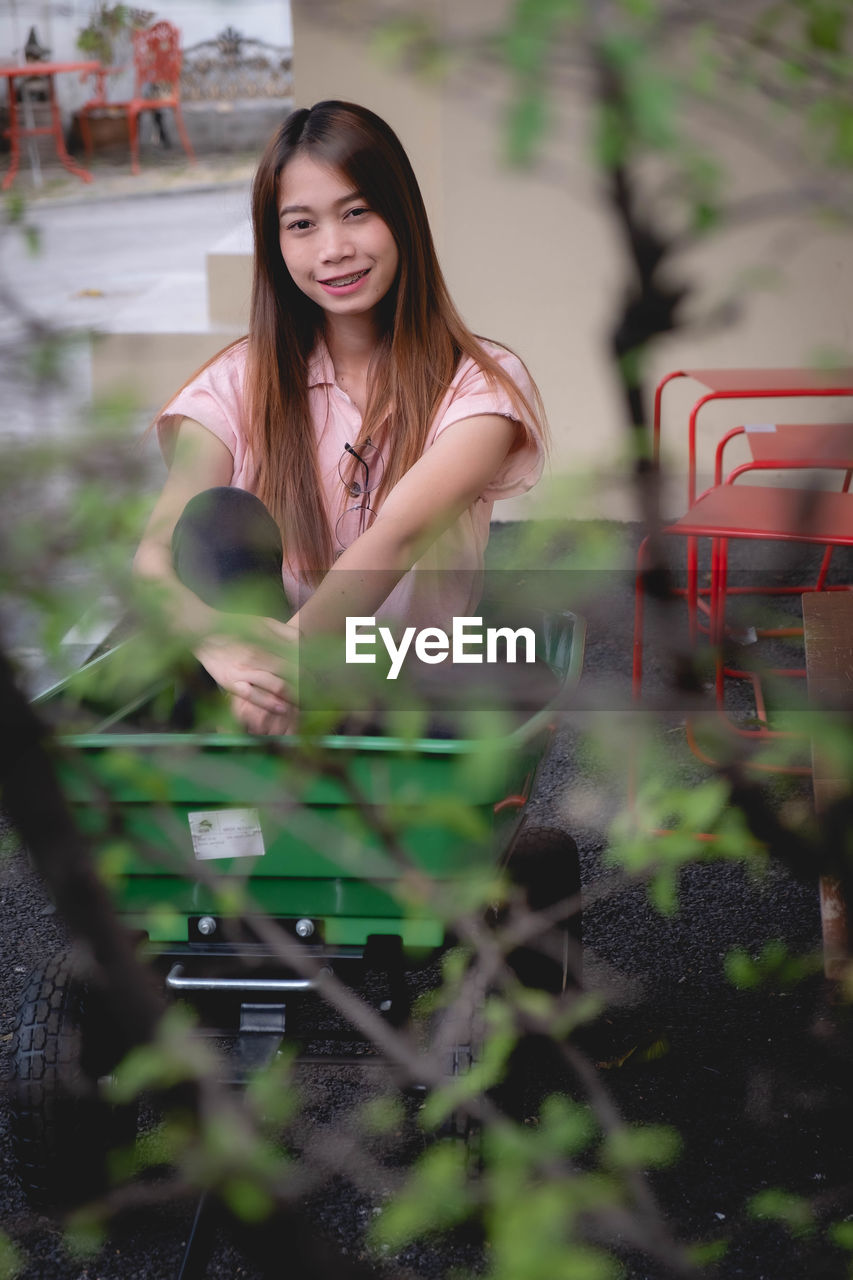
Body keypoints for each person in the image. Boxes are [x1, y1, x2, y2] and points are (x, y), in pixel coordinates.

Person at [134, 100, 548, 735]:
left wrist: (291, 670)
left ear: (401, 216)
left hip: (400, 682)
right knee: (215, 520)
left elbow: (397, 539)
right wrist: (223, 652)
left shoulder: (482, 383)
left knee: (514, 668)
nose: (333, 249)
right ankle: (283, 720)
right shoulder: (235, 383)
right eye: (301, 225)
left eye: (356, 212)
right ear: (275, 244)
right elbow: (154, 560)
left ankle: (296, 728)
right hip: (261, 678)